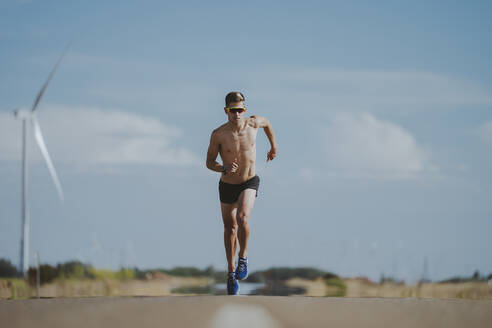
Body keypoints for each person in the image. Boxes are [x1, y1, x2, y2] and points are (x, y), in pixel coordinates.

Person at [206, 91, 277, 295]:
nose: (237, 114)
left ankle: (243, 259)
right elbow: (209, 162)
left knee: (243, 217)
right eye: (232, 110)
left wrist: (273, 146)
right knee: (230, 228)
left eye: (240, 110)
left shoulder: (253, 124)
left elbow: (268, 124)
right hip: (227, 184)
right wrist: (223, 168)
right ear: (226, 111)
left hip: (249, 180)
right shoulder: (218, 134)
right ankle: (230, 273)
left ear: (244, 109)